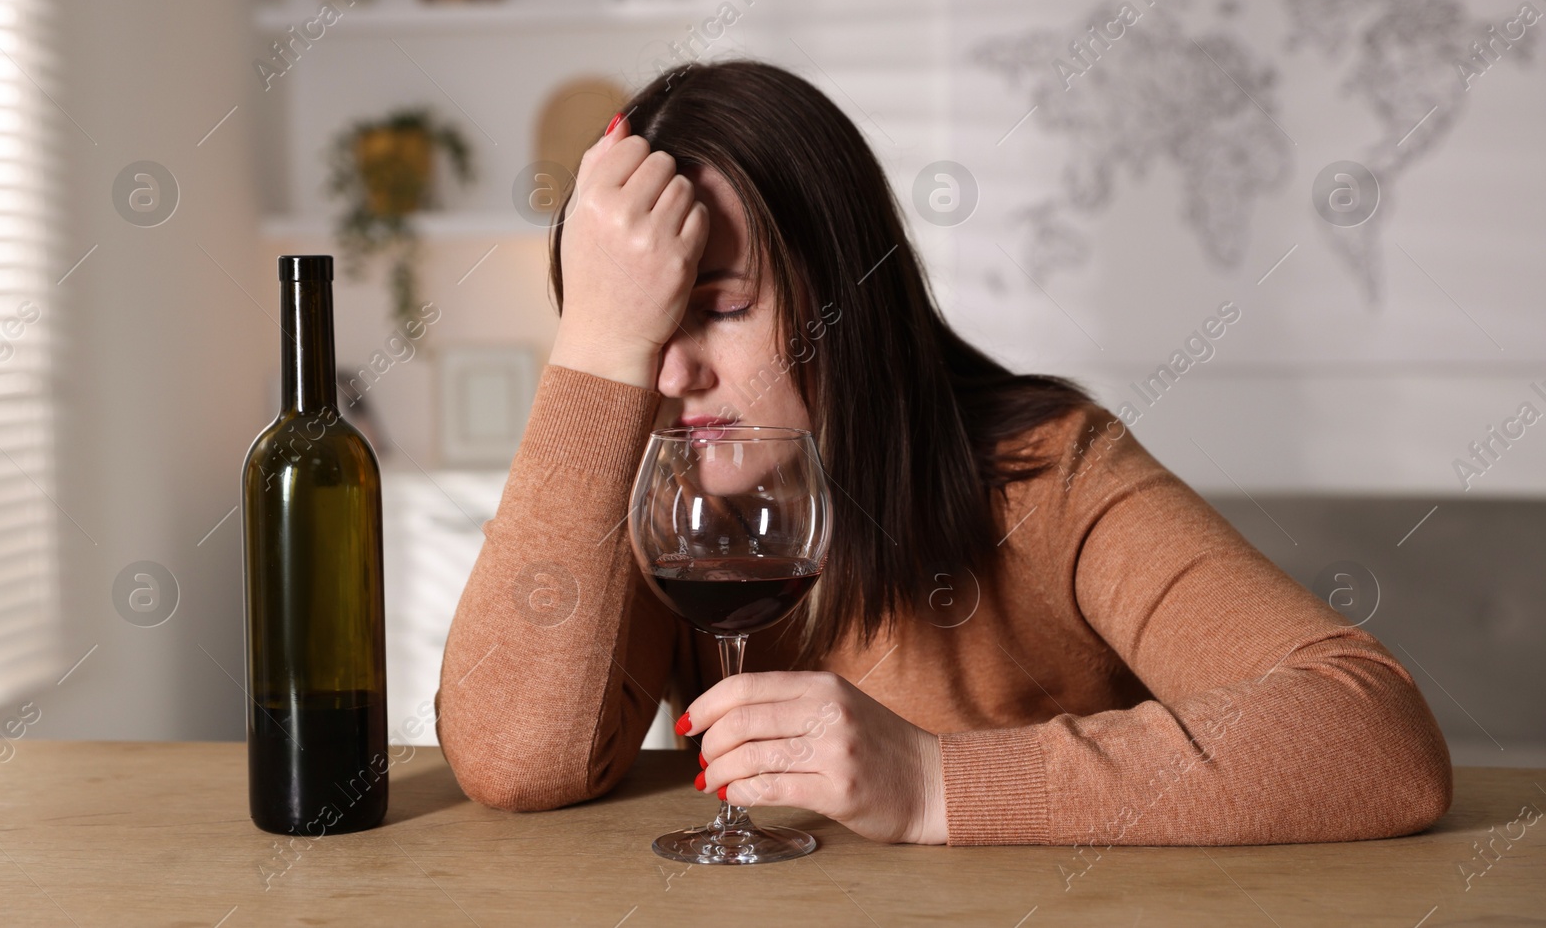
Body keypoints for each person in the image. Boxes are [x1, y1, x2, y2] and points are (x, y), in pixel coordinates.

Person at [434, 58, 1451, 846]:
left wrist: (931, 782)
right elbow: (514, 763)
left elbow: (1377, 736)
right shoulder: (671, 495)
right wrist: (594, 349)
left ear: (844, 302)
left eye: (720, 306)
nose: (670, 373)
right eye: (641, 326)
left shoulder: (1048, 470)